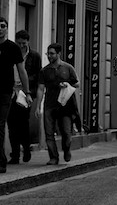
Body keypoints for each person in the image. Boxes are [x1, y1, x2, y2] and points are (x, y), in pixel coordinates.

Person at [35, 43, 78, 165]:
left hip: (65, 105)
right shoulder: (44, 71)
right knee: (49, 132)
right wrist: (38, 106)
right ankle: (53, 157)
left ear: (59, 54)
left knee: (66, 132)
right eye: (48, 53)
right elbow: (40, 88)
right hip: (49, 104)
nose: (49, 56)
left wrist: (67, 84)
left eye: (52, 53)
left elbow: (77, 83)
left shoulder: (68, 68)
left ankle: (66, 149)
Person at [0, 18, 33, 173]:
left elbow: (22, 71)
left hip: (6, 92)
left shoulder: (12, 48)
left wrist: (27, 93)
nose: (0, 29)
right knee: (7, 126)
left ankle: (3, 161)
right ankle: (7, 156)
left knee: (4, 124)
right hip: (9, 92)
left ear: (7, 28)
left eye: (2, 26)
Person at [8, 29, 41, 163]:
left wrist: (26, 80)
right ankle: (15, 154)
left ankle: (26, 149)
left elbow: (38, 75)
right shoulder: (12, 53)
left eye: (23, 43)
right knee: (11, 124)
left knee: (23, 123)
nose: (21, 46)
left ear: (28, 42)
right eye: (19, 43)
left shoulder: (35, 56)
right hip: (12, 92)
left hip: (26, 93)